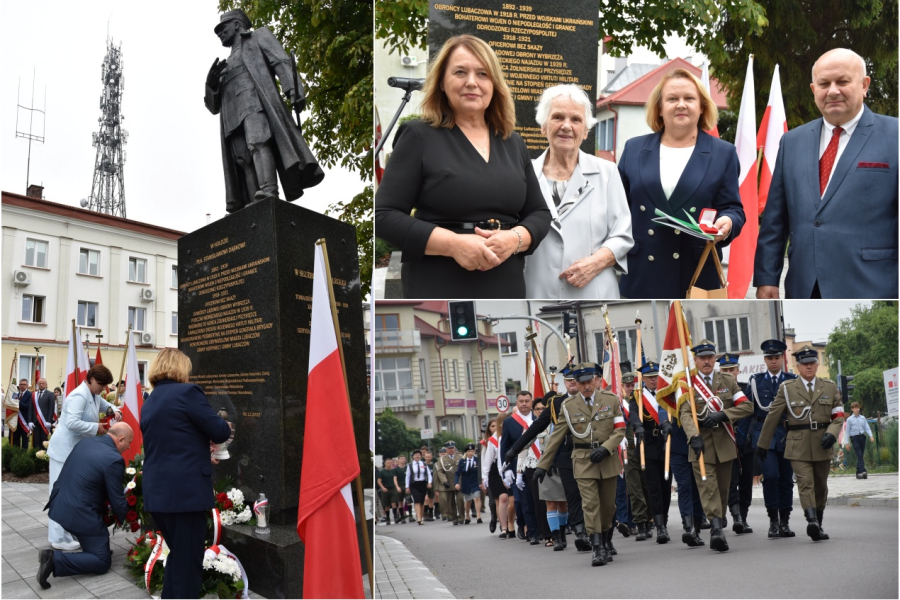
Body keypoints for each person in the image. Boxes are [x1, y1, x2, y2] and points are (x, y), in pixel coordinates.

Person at [374, 34, 551, 298]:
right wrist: (454, 245)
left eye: (482, 74)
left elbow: (539, 213)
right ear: (442, 83)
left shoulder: (512, 142)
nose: (472, 82)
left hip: (506, 281)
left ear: (494, 84)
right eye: (460, 72)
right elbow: (384, 215)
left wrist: (515, 239)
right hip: (439, 282)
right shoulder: (419, 136)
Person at [754, 48, 898, 299]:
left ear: (864, 85)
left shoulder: (894, 135)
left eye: (842, 81)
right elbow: (775, 221)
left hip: (874, 287)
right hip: (804, 288)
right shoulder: (791, 142)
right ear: (813, 90)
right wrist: (767, 279)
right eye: (824, 84)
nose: (832, 91)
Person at [617, 68, 745, 299]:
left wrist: (726, 223)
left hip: (696, 273)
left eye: (689, 98)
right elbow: (616, 209)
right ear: (659, 108)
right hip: (642, 273)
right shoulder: (633, 149)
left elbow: (733, 209)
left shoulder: (723, 153)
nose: (681, 105)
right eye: (672, 99)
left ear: (702, 106)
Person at [205, 9, 323, 213]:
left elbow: (281, 60)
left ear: (236, 24)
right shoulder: (225, 64)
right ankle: (253, 201)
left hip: (255, 101)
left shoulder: (258, 36)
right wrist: (211, 84)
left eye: (222, 28)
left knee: (258, 142)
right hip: (232, 114)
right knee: (242, 158)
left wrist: (293, 89)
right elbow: (213, 107)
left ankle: (269, 191)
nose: (220, 33)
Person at [524, 84, 633, 298]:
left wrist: (595, 263)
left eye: (576, 120)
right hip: (538, 292)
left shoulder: (607, 172)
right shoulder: (524, 174)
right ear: (543, 126)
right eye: (557, 117)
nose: (566, 126)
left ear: (585, 132)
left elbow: (622, 235)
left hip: (594, 293)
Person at [140, 348, 232, 599]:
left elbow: (172, 442)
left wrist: (200, 451)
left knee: (179, 558)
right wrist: (225, 426)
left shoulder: (151, 399)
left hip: (158, 492)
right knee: (189, 563)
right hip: (185, 494)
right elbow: (219, 431)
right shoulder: (188, 392)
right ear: (180, 368)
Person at [535, 363, 625, 566]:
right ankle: (598, 547)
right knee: (590, 504)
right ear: (576, 383)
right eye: (581, 383)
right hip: (583, 459)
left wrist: (606, 448)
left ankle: (606, 539)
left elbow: (620, 430)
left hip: (608, 458)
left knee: (608, 507)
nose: (586, 386)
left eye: (589, 381)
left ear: (595, 380)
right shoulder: (569, 406)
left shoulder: (611, 400)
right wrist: (543, 465)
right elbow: (556, 436)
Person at [757, 346, 845, 541]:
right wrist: (762, 444)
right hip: (798, 444)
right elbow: (772, 417)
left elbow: (838, 415)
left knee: (820, 486)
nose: (809, 367)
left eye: (812, 363)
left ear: (817, 364)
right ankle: (811, 521)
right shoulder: (787, 389)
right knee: (805, 483)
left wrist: (832, 433)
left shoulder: (829, 387)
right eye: (804, 364)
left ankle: (818, 524)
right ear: (797, 367)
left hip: (823, 443)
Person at [37, 423, 134, 589]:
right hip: (79, 512)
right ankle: (54, 560)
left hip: (60, 503)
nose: (129, 446)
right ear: (121, 440)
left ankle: (95, 545)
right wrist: (134, 518)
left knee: (98, 543)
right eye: (129, 443)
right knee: (102, 561)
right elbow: (117, 500)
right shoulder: (114, 459)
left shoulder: (86, 442)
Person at [679, 340, 752, 552]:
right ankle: (716, 531)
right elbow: (684, 413)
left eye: (710, 357)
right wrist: (693, 436)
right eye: (702, 358)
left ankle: (717, 523)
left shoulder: (727, 380)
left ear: (715, 359)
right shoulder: (687, 383)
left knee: (722, 490)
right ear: (695, 360)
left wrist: (724, 415)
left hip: (724, 444)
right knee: (708, 488)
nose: (706, 361)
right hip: (700, 446)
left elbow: (747, 406)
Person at [47, 365, 119, 552]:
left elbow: (105, 405)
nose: (104, 388)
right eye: (102, 384)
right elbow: (71, 423)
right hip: (63, 450)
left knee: (69, 493)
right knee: (59, 493)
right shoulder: (80, 396)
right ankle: (57, 537)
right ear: (92, 379)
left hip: (73, 451)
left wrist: (114, 409)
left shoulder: (93, 395)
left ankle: (66, 533)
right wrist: (96, 428)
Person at [747, 339, 798, 538]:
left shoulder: (792, 380)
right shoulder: (755, 381)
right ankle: (773, 521)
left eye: (777, 357)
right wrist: (742, 439)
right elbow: (748, 411)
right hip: (764, 436)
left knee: (786, 479)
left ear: (782, 358)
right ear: (765, 360)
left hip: (787, 435)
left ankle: (785, 521)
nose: (774, 361)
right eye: (770, 358)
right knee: (770, 477)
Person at [631, 362, 673, 544]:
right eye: (649, 377)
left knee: (666, 486)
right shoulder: (638, 396)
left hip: (666, 444)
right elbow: (633, 413)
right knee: (653, 487)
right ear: (644, 379)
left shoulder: (667, 393)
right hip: (647, 445)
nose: (653, 379)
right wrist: (637, 426)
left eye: (656, 376)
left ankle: (664, 518)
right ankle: (660, 526)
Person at [719, 353, 754, 534]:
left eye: (732, 369)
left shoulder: (747, 388)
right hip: (726, 441)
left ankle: (744, 516)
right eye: (725, 370)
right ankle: (734, 516)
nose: (729, 373)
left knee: (746, 480)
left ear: (738, 370)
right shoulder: (716, 389)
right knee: (730, 480)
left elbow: (750, 413)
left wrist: (748, 435)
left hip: (745, 441)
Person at [500, 391, 541, 543]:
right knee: (525, 501)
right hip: (519, 468)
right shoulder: (510, 422)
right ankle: (532, 532)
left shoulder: (538, 419)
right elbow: (504, 448)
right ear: (516, 403)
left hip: (538, 463)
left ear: (531, 402)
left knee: (539, 500)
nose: (524, 404)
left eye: (527, 401)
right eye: (521, 401)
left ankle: (542, 529)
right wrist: (507, 470)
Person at [618, 372, 652, 541]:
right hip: (629, 450)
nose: (631, 388)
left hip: (645, 448)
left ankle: (651, 519)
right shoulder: (620, 405)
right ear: (622, 387)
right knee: (634, 489)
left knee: (648, 486)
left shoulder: (644, 402)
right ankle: (640, 524)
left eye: (633, 385)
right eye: (627, 385)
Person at [483, 415, 513, 538]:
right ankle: (504, 527)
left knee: (512, 500)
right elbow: (488, 460)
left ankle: (513, 523)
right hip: (496, 470)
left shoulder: (511, 434)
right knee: (503, 498)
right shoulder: (493, 439)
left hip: (510, 466)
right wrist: (484, 476)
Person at [434, 442, 464, 525]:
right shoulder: (442, 459)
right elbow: (440, 471)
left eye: (452, 448)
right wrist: (444, 481)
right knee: (450, 502)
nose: (451, 450)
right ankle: (454, 518)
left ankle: (461, 517)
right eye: (449, 448)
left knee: (460, 499)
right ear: (446, 449)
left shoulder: (460, 457)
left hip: (459, 482)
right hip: (449, 483)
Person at [845, 402, 875, 478]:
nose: (857, 409)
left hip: (862, 437)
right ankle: (863, 471)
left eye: (858, 407)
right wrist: (847, 443)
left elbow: (867, 427)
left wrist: (871, 436)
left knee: (861, 455)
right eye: (855, 408)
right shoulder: (849, 420)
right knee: (859, 454)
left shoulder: (863, 418)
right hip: (854, 438)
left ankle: (858, 472)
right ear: (852, 409)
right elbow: (847, 432)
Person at [455, 443, 482, 524]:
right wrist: (456, 483)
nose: (471, 453)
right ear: (466, 452)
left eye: (472, 451)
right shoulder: (462, 461)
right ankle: (467, 516)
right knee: (468, 501)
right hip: (466, 483)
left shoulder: (477, 460)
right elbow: (457, 473)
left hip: (475, 482)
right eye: (469, 451)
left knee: (477, 498)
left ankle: (478, 516)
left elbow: (480, 471)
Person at [406, 449, 433, 525]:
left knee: (422, 502)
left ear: (421, 456)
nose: (417, 456)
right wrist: (407, 487)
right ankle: (418, 517)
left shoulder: (424, 464)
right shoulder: (410, 465)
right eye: (416, 455)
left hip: (423, 484)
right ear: (413, 456)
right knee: (417, 500)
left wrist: (429, 482)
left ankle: (421, 517)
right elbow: (407, 476)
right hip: (414, 484)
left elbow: (429, 474)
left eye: (419, 455)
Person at [32, 378, 57, 450]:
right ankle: (36, 454)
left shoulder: (50, 394)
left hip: (44, 421)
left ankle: (43, 455)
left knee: (44, 440)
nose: (41, 385)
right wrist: (30, 420)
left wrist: (49, 421)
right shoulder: (34, 394)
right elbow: (31, 408)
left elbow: (51, 409)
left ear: (46, 385)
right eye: (39, 383)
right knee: (36, 439)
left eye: (43, 383)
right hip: (35, 421)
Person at [10, 378, 33, 449]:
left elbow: (27, 407)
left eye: (24, 384)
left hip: (24, 421)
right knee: (15, 440)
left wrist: (18, 402)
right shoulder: (15, 394)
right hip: (15, 421)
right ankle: (16, 454)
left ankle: (23, 456)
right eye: (21, 384)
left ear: (27, 386)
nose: (22, 386)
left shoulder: (30, 394)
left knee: (24, 441)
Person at [377, 458, 397, 524]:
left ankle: (395, 516)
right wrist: (383, 487)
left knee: (394, 503)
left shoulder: (393, 471)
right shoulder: (382, 472)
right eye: (388, 463)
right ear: (385, 464)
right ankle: (387, 517)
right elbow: (379, 481)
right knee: (387, 505)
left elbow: (395, 479)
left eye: (391, 463)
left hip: (393, 488)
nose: (389, 464)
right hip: (385, 489)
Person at [392, 455, 410, 523]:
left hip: (406, 485)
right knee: (400, 502)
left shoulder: (407, 467)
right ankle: (402, 517)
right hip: (400, 485)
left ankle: (410, 515)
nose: (403, 460)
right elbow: (395, 478)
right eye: (401, 459)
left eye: (404, 459)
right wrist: (397, 487)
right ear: (398, 460)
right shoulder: (395, 469)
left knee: (408, 501)